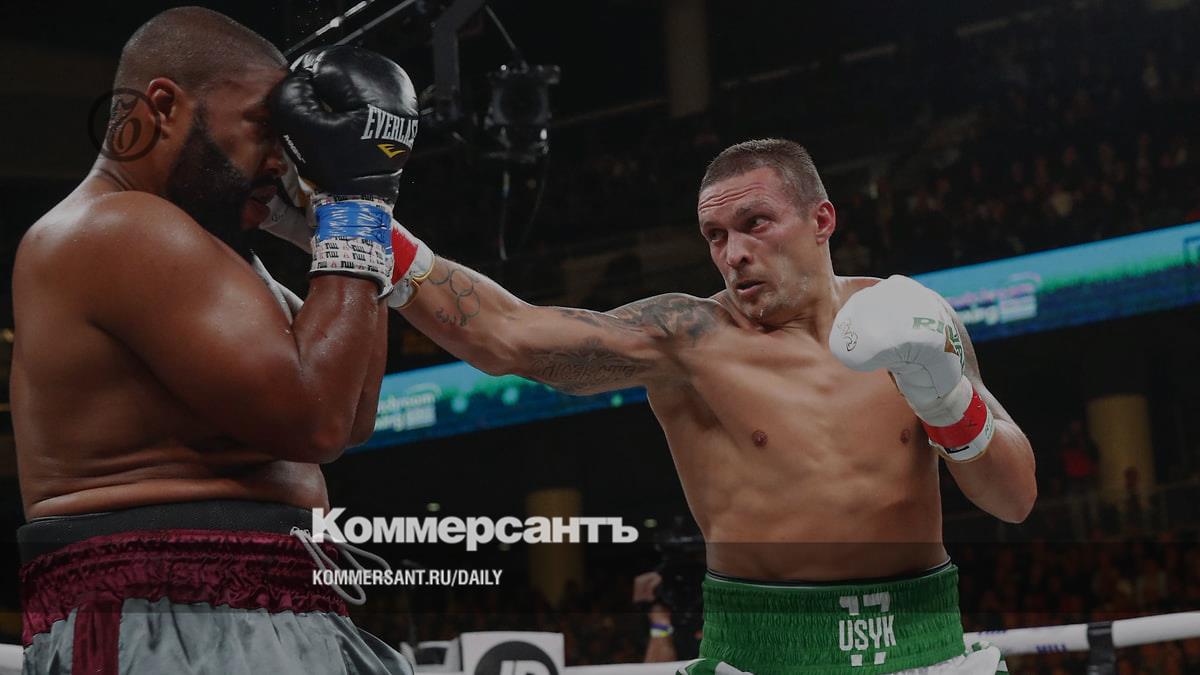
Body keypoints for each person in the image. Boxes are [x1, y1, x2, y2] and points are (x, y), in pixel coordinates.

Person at [269, 138, 1036, 672]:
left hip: (927, 646)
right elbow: (512, 336)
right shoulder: (689, 338)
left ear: (821, 220)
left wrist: (948, 400)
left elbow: (1014, 497)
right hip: (764, 655)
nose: (733, 253)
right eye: (715, 236)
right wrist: (357, 221)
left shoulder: (915, 317)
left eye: (754, 224)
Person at [12, 8, 423, 673]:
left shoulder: (216, 256)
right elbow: (316, 421)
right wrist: (358, 200)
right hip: (167, 613)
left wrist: (351, 203)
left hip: (271, 605)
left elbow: (351, 412)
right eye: (264, 128)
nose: (281, 161)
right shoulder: (117, 227)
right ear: (165, 106)